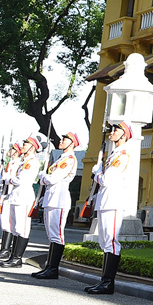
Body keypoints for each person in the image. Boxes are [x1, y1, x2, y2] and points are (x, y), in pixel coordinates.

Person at [88, 121, 135, 295]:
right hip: (105, 202)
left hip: (114, 202)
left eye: (116, 130)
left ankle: (108, 283)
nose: (112, 132)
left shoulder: (122, 155)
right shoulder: (112, 154)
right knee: (104, 242)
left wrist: (97, 173)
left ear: (124, 135)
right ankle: (103, 281)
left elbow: (107, 180)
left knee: (111, 242)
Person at [33, 130, 80, 279]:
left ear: (72, 143)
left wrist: (43, 176)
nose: (61, 141)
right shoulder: (61, 158)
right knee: (51, 235)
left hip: (59, 200)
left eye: (65, 140)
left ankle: (53, 268)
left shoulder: (69, 159)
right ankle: (49, 266)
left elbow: (53, 178)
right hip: (51, 198)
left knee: (57, 235)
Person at [0, 135, 45, 269]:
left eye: (26, 144)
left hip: (24, 196)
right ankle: (13, 256)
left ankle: (17, 258)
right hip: (16, 196)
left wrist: (9, 179)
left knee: (22, 228)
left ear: (32, 147)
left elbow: (21, 180)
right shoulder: (24, 162)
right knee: (15, 228)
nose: (23, 146)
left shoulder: (32, 162)